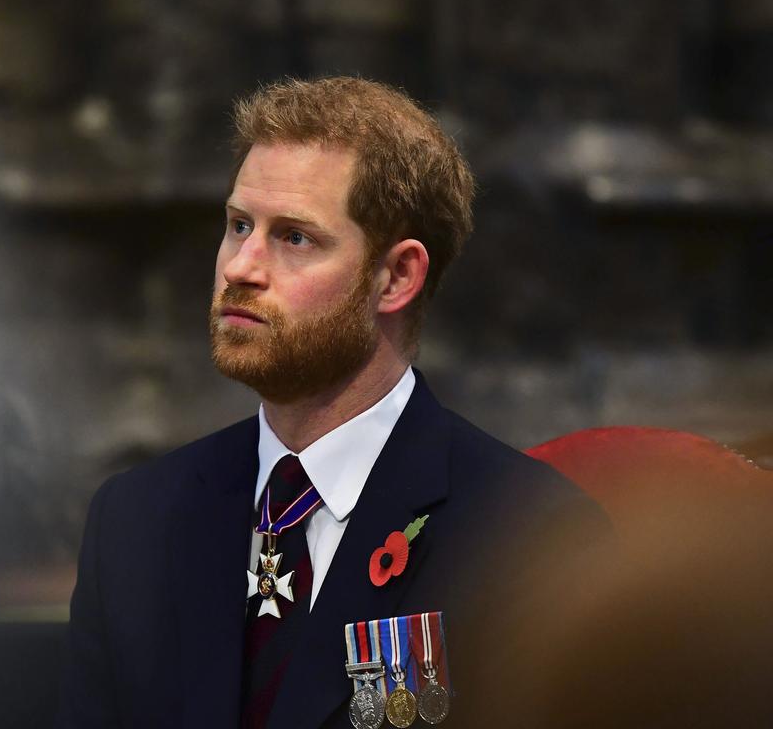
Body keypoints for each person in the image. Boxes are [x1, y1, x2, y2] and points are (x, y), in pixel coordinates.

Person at [56, 77, 609, 729]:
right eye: (239, 226)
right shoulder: (136, 518)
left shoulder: (529, 535)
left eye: (294, 237)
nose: (241, 267)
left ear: (397, 277)